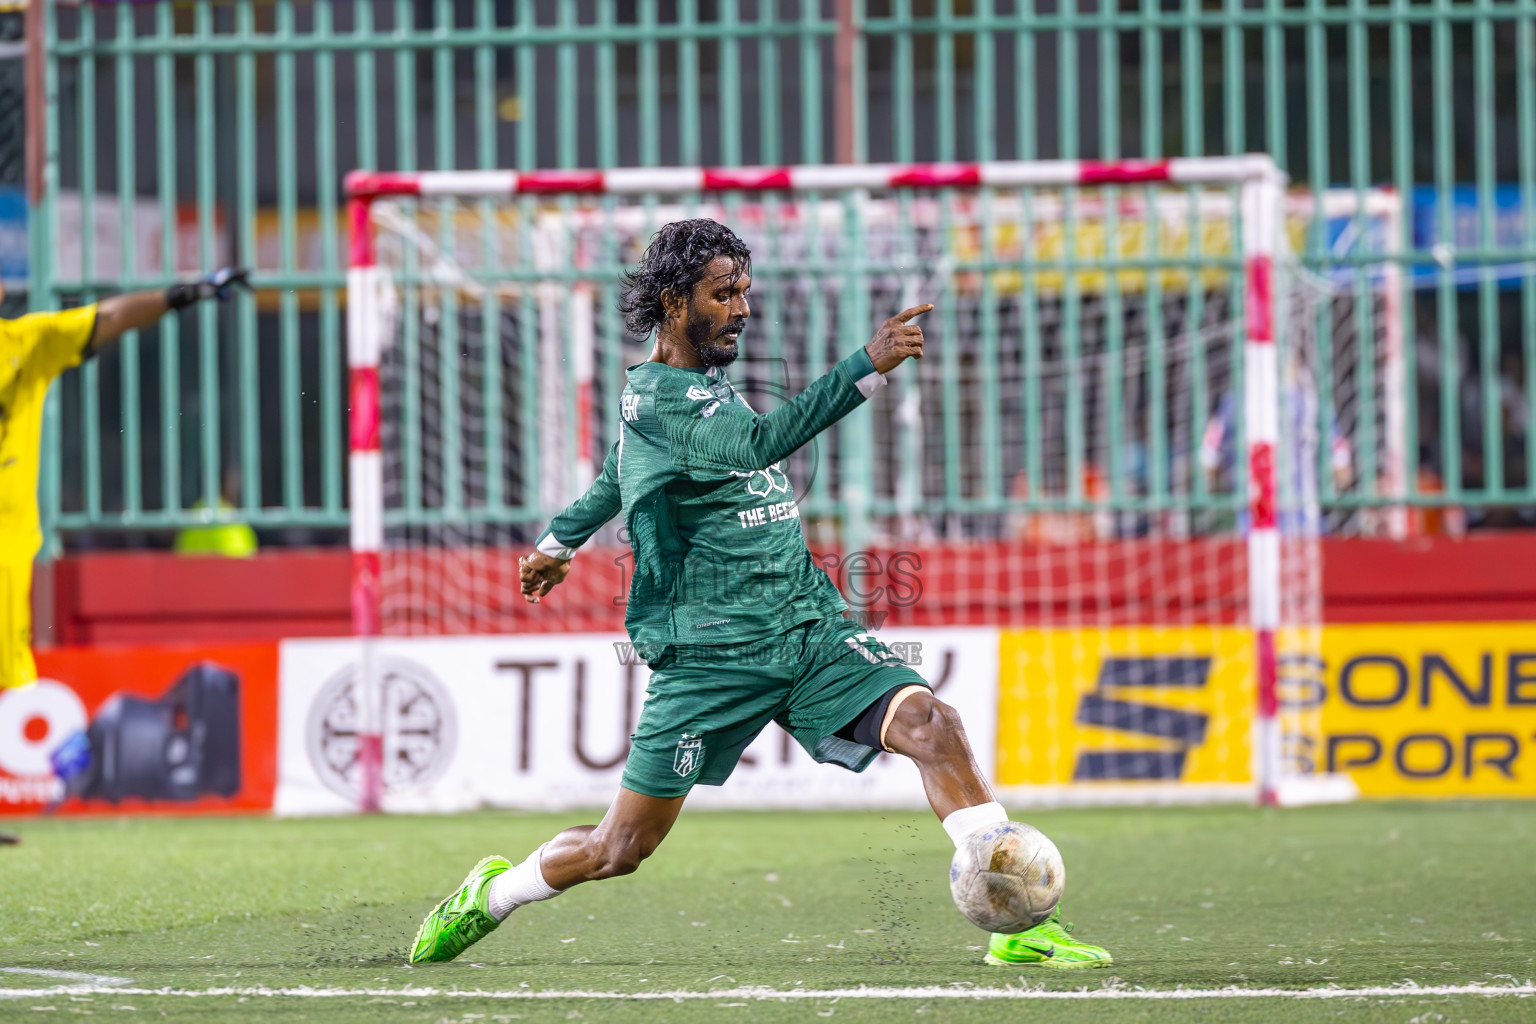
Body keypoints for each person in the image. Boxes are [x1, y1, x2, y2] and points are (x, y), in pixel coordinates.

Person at [408, 220, 1111, 970]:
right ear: (675, 304)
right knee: (619, 850)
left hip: (805, 628)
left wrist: (556, 544)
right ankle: (493, 894)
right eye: (724, 293)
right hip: (711, 654)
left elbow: (619, 473)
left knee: (933, 724)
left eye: (745, 290)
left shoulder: (698, 389)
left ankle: (1019, 928)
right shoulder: (660, 399)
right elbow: (753, 447)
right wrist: (863, 369)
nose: (743, 308)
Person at [0, 268, 250, 690]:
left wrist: (179, 295)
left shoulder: (27, 343)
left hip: (6, 551)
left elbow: (110, 317)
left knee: (15, 690)